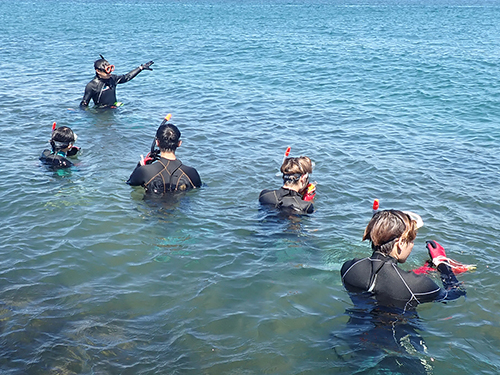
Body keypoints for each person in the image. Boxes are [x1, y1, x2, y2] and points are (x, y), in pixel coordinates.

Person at [341, 209, 466, 311]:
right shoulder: (418, 284)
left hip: (354, 334)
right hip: (397, 338)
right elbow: (456, 294)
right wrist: (442, 264)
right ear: (400, 243)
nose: (412, 245)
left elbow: (380, 283)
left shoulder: (349, 268)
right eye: (411, 240)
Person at [127, 121, 201, 194]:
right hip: (180, 205)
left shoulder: (144, 171)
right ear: (179, 143)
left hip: (153, 205)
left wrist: (139, 166)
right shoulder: (191, 173)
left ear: (157, 142)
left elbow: (130, 183)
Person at [79, 55, 154, 109]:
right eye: (107, 72)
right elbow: (84, 104)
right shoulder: (91, 85)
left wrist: (140, 68)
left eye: (110, 70)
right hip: (101, 112)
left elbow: (126, 77)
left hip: (113, 109)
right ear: (98, 71)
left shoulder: (113, 78)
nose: (109, 74)